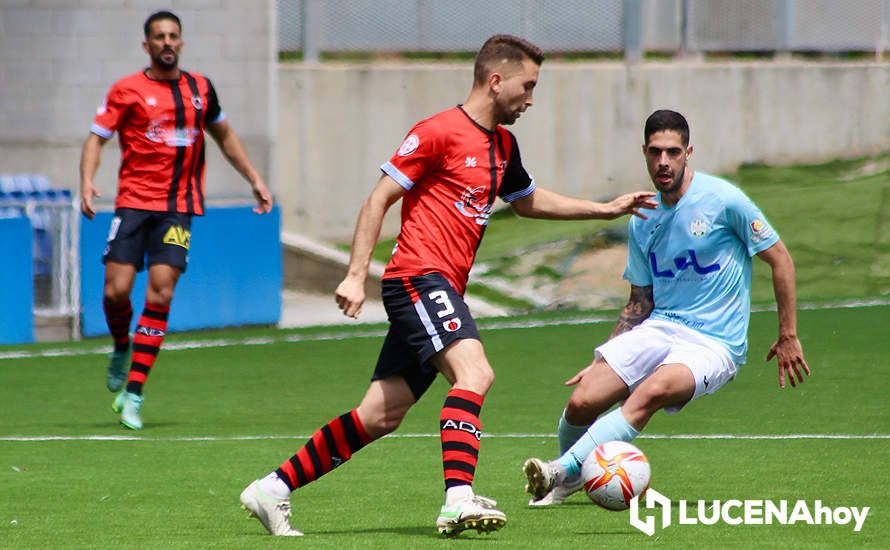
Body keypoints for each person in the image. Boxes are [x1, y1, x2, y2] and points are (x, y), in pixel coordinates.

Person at [238, 34, 657, 538]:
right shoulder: (437, 132)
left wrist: (604, 207)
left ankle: (273, 488)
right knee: (474, 372)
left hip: (440, 287)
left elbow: (525, 200)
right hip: (418, 277)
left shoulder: (503, 145)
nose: (530, 98)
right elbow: (379, 199)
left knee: (380, 414)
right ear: (495, 80)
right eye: (527, 86)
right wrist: (355, 273)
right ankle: (458, 499)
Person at [521, 109, 811, 506]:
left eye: (673, 152)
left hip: (713, 343)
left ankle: (559, 470)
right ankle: (573, 476)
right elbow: (639, 301)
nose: (663, 161)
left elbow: (780, 258)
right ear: (644, 152)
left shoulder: (725, 201)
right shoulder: (643, 216)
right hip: (660, 327)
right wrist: (606, 356)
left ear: (688, 152)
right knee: (583, 399)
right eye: (655, 152)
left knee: (651, 392)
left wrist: (788, 334)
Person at [79, 10, 273, 430]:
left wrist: (255, 178)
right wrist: (87, 181)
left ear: (181, 43)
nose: (167, 43)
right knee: (116, 293)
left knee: (161, 294)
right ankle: (119, 344)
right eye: (159, 37)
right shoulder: (126, 90)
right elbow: (96, 139)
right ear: (146, 45)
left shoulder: (201, 88)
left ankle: (133, 393)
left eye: (173, 36)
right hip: (133, 204)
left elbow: (224, 134)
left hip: (178, 208)